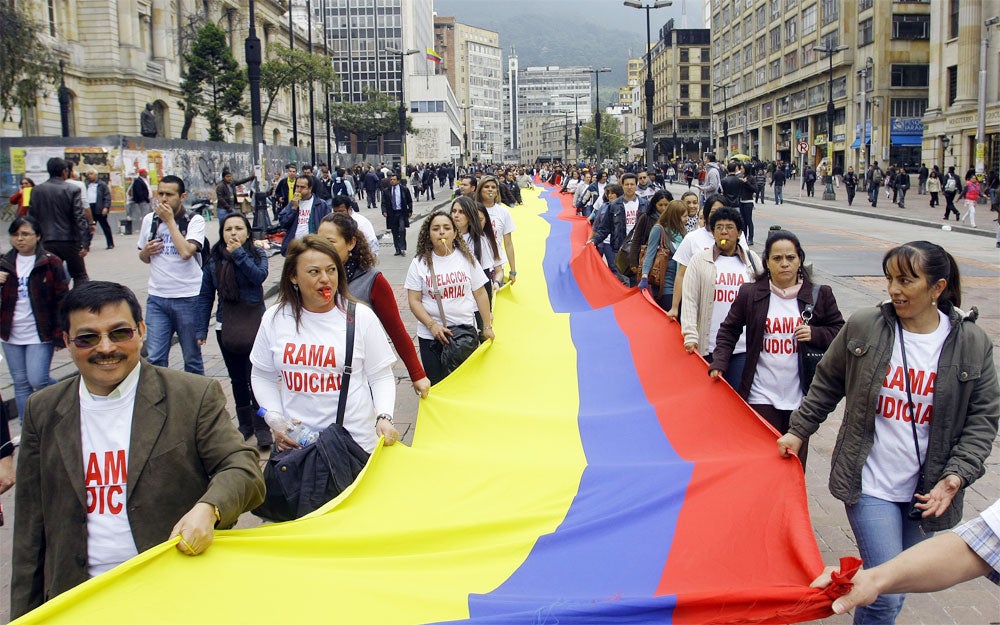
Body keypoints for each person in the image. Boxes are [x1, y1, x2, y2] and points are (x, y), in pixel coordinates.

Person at [11, 281, 266, 618]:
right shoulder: (43, 409)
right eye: (87, 338)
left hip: (172, 593)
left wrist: (209, 508)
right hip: (79, 599)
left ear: (141, 331)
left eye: (120, 333)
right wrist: (24, 615)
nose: (106, 348)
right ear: (66, 342)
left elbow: (241, 467)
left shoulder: (192, 395)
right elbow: (30, 525)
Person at [776, 241, 999, 624]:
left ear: (937, 287)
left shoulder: (972, 343)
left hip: (927, 494)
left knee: (897, 583)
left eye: (906, 280)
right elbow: (827, 381)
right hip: (869, 483)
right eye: (890, 279)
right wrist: (798, 431)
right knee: (885, 595)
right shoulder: (866, 326)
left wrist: (956, 475)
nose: (894, 289)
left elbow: (983, 418)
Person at [250, 235, 400, 453]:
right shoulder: (275, 318)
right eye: (314, 272)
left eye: (331, 270)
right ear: (293, 276)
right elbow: (262, 375)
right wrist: (275, 417)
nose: (325, 279)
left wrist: (384, 416)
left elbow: (381, 376)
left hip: (354, 447)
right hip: (298, 447)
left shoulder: (361, 317)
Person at [708, 230, 844, 469]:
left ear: (800, 260)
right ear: (767, 262)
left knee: (793, 463)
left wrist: (815, 334)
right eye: (777, 258)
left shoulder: (819, 295)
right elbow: (729, 330)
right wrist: (719, 362)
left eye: (790, 258)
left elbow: (840, 331)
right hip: (760, 394)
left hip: (801, 398)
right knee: (763, 462)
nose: (784, 264)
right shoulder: (751, 293)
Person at [810, 497, 1000, 616]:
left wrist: (956, 474)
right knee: (886, 599)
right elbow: (978, 545)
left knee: (893, 597)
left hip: (927, 493)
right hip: (872, 489)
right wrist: (872, 580)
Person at [316, 213, 431, 398]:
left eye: (330, 242)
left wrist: (417, 374)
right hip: (317, 373)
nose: (322, 248)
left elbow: (397, 331)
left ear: (351, 243)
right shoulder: (309, 279)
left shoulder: (372, 280)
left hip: (358, 377)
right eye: (318, 241)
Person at [196, 213, 271, 449]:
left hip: (254, 324)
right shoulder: (214, 260)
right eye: (228, 229)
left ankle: (262, 426)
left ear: (247, 232)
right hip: (226, 325)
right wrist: (201, 329)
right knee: (237, 379)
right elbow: (205, 295)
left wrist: (239, 253)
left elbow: (258, 277)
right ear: (221, 233)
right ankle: (245, 424)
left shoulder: (257, 254)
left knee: (255, 377)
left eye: (239, 228)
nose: (233, 233)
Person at [405, 211, 494, 385]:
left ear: (454, 233)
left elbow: (480, 293)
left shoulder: (467, 259)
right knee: (437, 386)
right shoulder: (419, 263)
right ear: (428, 234)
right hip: (431, 338)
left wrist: (487, 326)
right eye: (435, 229)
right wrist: (432, 325)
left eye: (446, 228)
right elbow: (414, 300)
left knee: (465, 385)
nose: (441, 232)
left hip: (463, 335)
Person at [680, 206, 762, 389]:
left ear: (739, 232)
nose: (724, 232)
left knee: (737, 395)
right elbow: (690, 300)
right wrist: (690, 335)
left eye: (729, 227)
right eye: (719, 227)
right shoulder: (699, 260)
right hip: (709, 345)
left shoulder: (752, 261)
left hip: (742, 347)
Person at [0, 216, 70, 422]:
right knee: (20, 383)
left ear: (38, 236)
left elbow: (62, 299)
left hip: (40, 333)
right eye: (15, 234)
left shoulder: (50, 262)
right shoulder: (4, 262)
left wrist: (60, 333)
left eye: (25, 234)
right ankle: (26, 425)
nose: (20, 239)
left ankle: (66, 394)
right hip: (10, 333)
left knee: (38, 379)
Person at [137, 175, 207, 375]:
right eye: (160, 194)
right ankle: (160, 393)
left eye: (169, 194)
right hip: (157, 298)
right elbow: (144, 257)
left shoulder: (194, 220)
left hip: (188, 297)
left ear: (182, 196)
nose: (163, 199)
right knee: (155, 358)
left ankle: (195, 394)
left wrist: (169, 222)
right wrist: (146, 252)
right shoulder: (150, 220)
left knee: (191, 358)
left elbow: (186, 252)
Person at [27, 157, 90, 284]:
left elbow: (32, 218)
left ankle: (55, 296)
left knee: (49, 276)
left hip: (46, 241)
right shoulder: (72, 189)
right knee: (80, 276)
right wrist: (85, 243)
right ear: (64, 171)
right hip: (70, 241)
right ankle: (78, 297)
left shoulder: (36, 190)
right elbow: (79, 217)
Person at [451, 195, 504, 307]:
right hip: (452, 303)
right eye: (454, 211)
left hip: (474, 304)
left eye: (461, 212)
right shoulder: (444, 239)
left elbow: (485, 277)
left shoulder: (481, 241)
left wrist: (487, 310)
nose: (456, 215)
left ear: (470, 216)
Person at [637, 199, 687, 311]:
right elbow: (650, 254)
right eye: (684, 216)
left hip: (681, 285)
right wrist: (644, 276)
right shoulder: (658, 230)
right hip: (665, 286)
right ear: (675, 216)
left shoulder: (682, 232)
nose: (686, 219)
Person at [475, 175, 517, 285]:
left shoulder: (503, 212)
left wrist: (513, 271)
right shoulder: (472, 209)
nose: (490, 189)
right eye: (486, 187)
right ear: (480, 190)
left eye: (493, 187)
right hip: (475, 264)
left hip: (496, 266)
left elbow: (508, 243)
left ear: (497, 191)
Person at [279, 174, 331, 256]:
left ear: (310, 188)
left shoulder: (321, 205)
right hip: (295, 246)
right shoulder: (293, 203)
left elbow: (328, 226)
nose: (299, 190)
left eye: (302, 187)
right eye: (297, 186)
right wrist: (293, 209)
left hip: (313, 247)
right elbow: (283, 223)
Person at [381, 172, 413, 257]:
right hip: (392, 214)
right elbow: (383, 203)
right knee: (395, 232)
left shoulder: (404, 189)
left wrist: (410, 210)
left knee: (402, 230)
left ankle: (402, 248)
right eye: (391, 179)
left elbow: (409, 201)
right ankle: (397, 249)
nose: (392, 181)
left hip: (401, 213)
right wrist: (384, 211)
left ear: (398, 181)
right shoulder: (386, 191)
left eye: (394, 179)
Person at [85, 168, 114, 250]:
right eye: (88, 174)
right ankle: (86, 245)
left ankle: (110, 243)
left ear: (96, 175)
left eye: (91, 174)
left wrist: (106, 207)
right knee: (89, 227)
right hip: (89, 208)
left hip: (99, 207)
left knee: (105, 226)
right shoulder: (86, 184)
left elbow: (107, 197)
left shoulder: (102, 184)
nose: (89, 176)